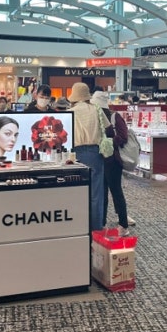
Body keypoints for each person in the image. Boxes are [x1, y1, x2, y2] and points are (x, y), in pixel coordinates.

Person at [91, 90, 132, 236]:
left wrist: (107, 142)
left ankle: (123, 224)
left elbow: (123, 137)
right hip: (100, 160)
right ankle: (101, 223)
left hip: (113, 161)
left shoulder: (115, 117)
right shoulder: (94, 117)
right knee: (101, 193)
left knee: (116, 192)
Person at [69, 82, 108, 231]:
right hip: (94, 152)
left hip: (75, 153)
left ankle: (79, 226)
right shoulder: (96, 109)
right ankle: (96, 227)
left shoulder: (70, 112)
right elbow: (108, 128)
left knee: (77, 190)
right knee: (96, 192)